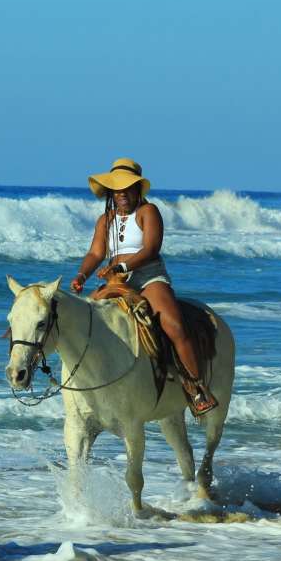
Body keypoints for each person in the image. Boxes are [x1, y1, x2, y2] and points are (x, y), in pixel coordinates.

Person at [70, 158, 218, 416]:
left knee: (173, 324)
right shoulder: (104, 220)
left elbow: (151, 249)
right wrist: (82, 275)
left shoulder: (148, 212)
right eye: (117, 189)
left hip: (149, 278)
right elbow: (95, 253)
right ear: (111, 192)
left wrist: (124, 267)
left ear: (138, 189)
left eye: (128, 188)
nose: (122, 193)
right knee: (85, 320)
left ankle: (196, 387)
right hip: (115, 281)